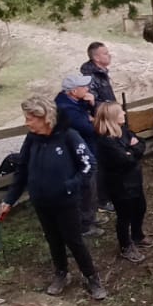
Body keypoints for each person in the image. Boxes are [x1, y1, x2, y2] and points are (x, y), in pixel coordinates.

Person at [0, 95, 106, 301]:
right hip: (41, 201)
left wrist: (70, 186)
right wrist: (9, 199)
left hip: (66, 202)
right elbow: (22, 170)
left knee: (74, 240)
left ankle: (92, 277)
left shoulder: (69, 136)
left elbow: (89, 165)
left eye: (30, 118)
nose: (26, 122)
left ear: (44, 116)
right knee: (53, 239)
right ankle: (61, 273)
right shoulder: (31, 139)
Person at [92, 102, 150, 263]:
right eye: (120, 112)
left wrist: (132, 150)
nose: (124, 113)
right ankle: (125, 246)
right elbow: (126, 160)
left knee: (140, 208)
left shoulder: (123, 131)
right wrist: (132, 151)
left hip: (135, 180)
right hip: (120, 186)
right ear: (112, 118)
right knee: (125, 216)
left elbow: (142, 143)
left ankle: (137, 235)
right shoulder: (106, 142)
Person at [55, 73, 103, 234]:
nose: (88, 88)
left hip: (86, 150)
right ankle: (85, 225)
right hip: (79, 157)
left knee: (91, 188)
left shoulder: (74, 102)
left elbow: (90, 120)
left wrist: (91, 105)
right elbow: (91, 129)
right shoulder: (67, 110)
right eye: (84, 87)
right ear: (74, 91)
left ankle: (91, 216)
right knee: (86, 189)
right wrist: (93, 119)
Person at [81, 41, 116, 106]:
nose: (110, 55)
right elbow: (91, 102)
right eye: (105, 54)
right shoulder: (89, 77)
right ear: (96, 58)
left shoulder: (101, 73)